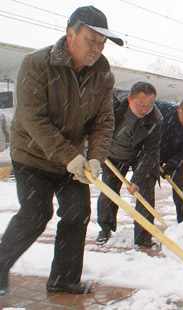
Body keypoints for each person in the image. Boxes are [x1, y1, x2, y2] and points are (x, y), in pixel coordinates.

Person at [0, 6, 123, 295]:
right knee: (36, 212)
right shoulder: (37, 64)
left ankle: (64, 280)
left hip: (73, 160)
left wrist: (95, 159)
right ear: (70, 34)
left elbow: (104, 122)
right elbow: (34, 119)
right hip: (32, 154)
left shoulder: (103, 75)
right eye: (91, 40)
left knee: (78, 213)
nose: (97, 48)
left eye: (102, 43)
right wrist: (70, 156)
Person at [96, 82, 162, 247]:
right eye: (141, 104)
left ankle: (143, 237)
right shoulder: (112, 103)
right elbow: (94, 123)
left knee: (145, 190)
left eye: (149, 105)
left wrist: (137, 179)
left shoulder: (156, 119)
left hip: (138, 155)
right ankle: (105, 229)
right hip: (112, 154)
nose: (144, 109)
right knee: (110, 190)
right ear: (129, 99)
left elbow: (150, 152)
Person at [156, 96, 183, 223]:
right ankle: (144, 227)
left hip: (175, 155)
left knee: (180, 187)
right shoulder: (162, 111)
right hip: (154, 150)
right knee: (145, 187)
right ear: (179, 109)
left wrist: (172, 165)